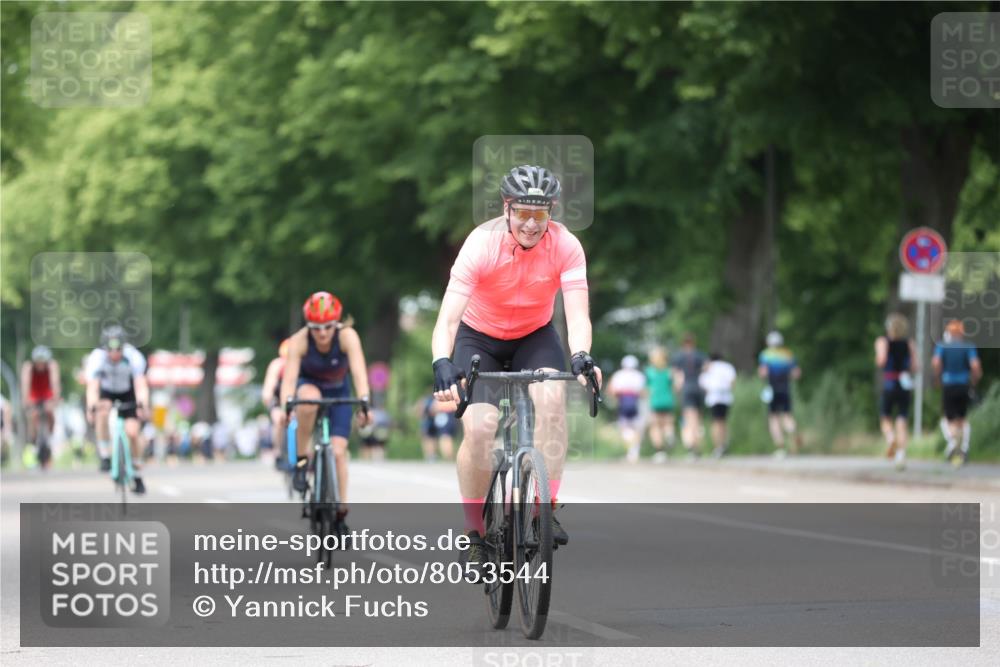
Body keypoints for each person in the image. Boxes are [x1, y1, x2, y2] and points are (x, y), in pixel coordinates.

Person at [430, 164, 601, 564]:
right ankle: (475, 532)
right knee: (480, 428)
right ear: (506, 208)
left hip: (534, 337)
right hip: (478, 339)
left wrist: (580, 355)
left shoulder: (566, 246)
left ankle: (545, 509)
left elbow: (577, 317)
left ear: (551, 213)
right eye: (522, 212)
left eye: (539, 214)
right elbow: (448, 319)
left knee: (554, 402)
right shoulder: (480, 244)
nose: (529, 223)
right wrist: (441, 359)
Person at [279, 291, 373, 512]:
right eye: (316, 327)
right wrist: (286, 407)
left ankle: (341, 511)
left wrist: (365, 405)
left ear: (337, 323)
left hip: (339, 390)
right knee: (309, 400)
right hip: (309, 385)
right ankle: (302, 462)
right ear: (309, 326)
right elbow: (289, 379)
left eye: (328, 327)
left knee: (339, 453)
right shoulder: (299, 340)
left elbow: (359, 374)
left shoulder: (347, 336)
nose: (322, 333)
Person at [84, 325, 150, 493]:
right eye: (110, 349)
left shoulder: (133, 357)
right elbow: (93, 387)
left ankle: (137, 474)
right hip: (107, 392)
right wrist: (91, 406)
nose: (114, 353)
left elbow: (141, 384)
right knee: (102, 411)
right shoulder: (97, 358)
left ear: (124, 346)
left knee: (133, 433)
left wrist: (143, 404)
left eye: (118, 348)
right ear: (104, 348)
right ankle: (105, 454)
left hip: (128, 392)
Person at [932, 319, 982, 466]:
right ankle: (964, 447)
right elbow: (975, 365)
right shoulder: (968, 346)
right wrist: (974, 379)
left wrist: (937, 377)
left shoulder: (942, 346)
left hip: (948, 384)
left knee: (948, 418)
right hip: (963, 384)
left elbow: (936, 363)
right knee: (962, 418)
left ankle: (953, 442)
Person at [875, 313, 917, 471]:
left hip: (890, 382)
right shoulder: (909, 343)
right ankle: (901, 455)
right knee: (902, 418)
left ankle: (891, 438)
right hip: (905, 383)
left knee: (885, 417)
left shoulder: (883, 341)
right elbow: (915, 366)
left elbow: (882, 360)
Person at [758, 331, 802, 457]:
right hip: (786, 388)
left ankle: (780, 445)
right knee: (787, 415)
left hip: (772, 389)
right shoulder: (788, 354)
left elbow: (763, 373)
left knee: (774, 418)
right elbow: (796, 373)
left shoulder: (766, 355)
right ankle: (793, 431)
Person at [20, 345, 61, 469]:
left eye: (43, 362)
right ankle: (33, 440)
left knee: (50, 413)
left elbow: (55, 383)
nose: (41, 365)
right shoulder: (28, 367)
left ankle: (50, 436)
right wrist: (25, 401)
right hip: (33, 394)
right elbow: (25, 384)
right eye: (38, 362)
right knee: (33, 415)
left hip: (47, 394)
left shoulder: (52, 366)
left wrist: (55, 400)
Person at [671, 333, 707, 457]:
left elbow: (677, 376)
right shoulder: (699, 355)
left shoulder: (679, 357)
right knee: (698, 418)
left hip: (687, 389)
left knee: (689, 419)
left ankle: (692, 447)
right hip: (698, 388)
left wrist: (676, 390)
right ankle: (698, 444)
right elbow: (707, 368)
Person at [608, 355, 646, 463]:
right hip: (635, 403)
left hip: (623, 403)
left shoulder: (618, 375)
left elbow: (612, 390)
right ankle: (634, 451)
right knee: (636, 428)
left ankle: (631, 450)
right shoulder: (639, 376)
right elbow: (643, 392)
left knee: (625, 428)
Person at [699, 353, 736, 458]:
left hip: (714, 397)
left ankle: (718, 447)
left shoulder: (709, 367)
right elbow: (732, 381)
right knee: (723, 421)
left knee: (716, 422)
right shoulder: (727, 366)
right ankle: (724, 445)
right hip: (726, 397)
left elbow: (703, 383)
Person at [261, 338, 290, 467]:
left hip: (296, 400)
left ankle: (308, 453)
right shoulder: (277, 365)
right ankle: (278, 451)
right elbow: (269, 388)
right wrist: (268, 399)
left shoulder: (303, 364)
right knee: (278, 421)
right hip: (278, 401)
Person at [644, 346, 676, 463]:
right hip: (667, 400)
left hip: (655, 401)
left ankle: (659, 451)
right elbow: (674, 387)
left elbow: (647, 390)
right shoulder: (669, 371)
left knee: (655, 426)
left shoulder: (649, 371)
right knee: (668, 423)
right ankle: (669, 434)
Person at [420, 394, 457, 462]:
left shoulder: (441, 395)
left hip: (444, 415)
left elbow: (434, 408)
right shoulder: (454, 395)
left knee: (445, 437)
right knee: (446, 437)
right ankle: (449, 457)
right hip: (452, 415)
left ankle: (448, 457)